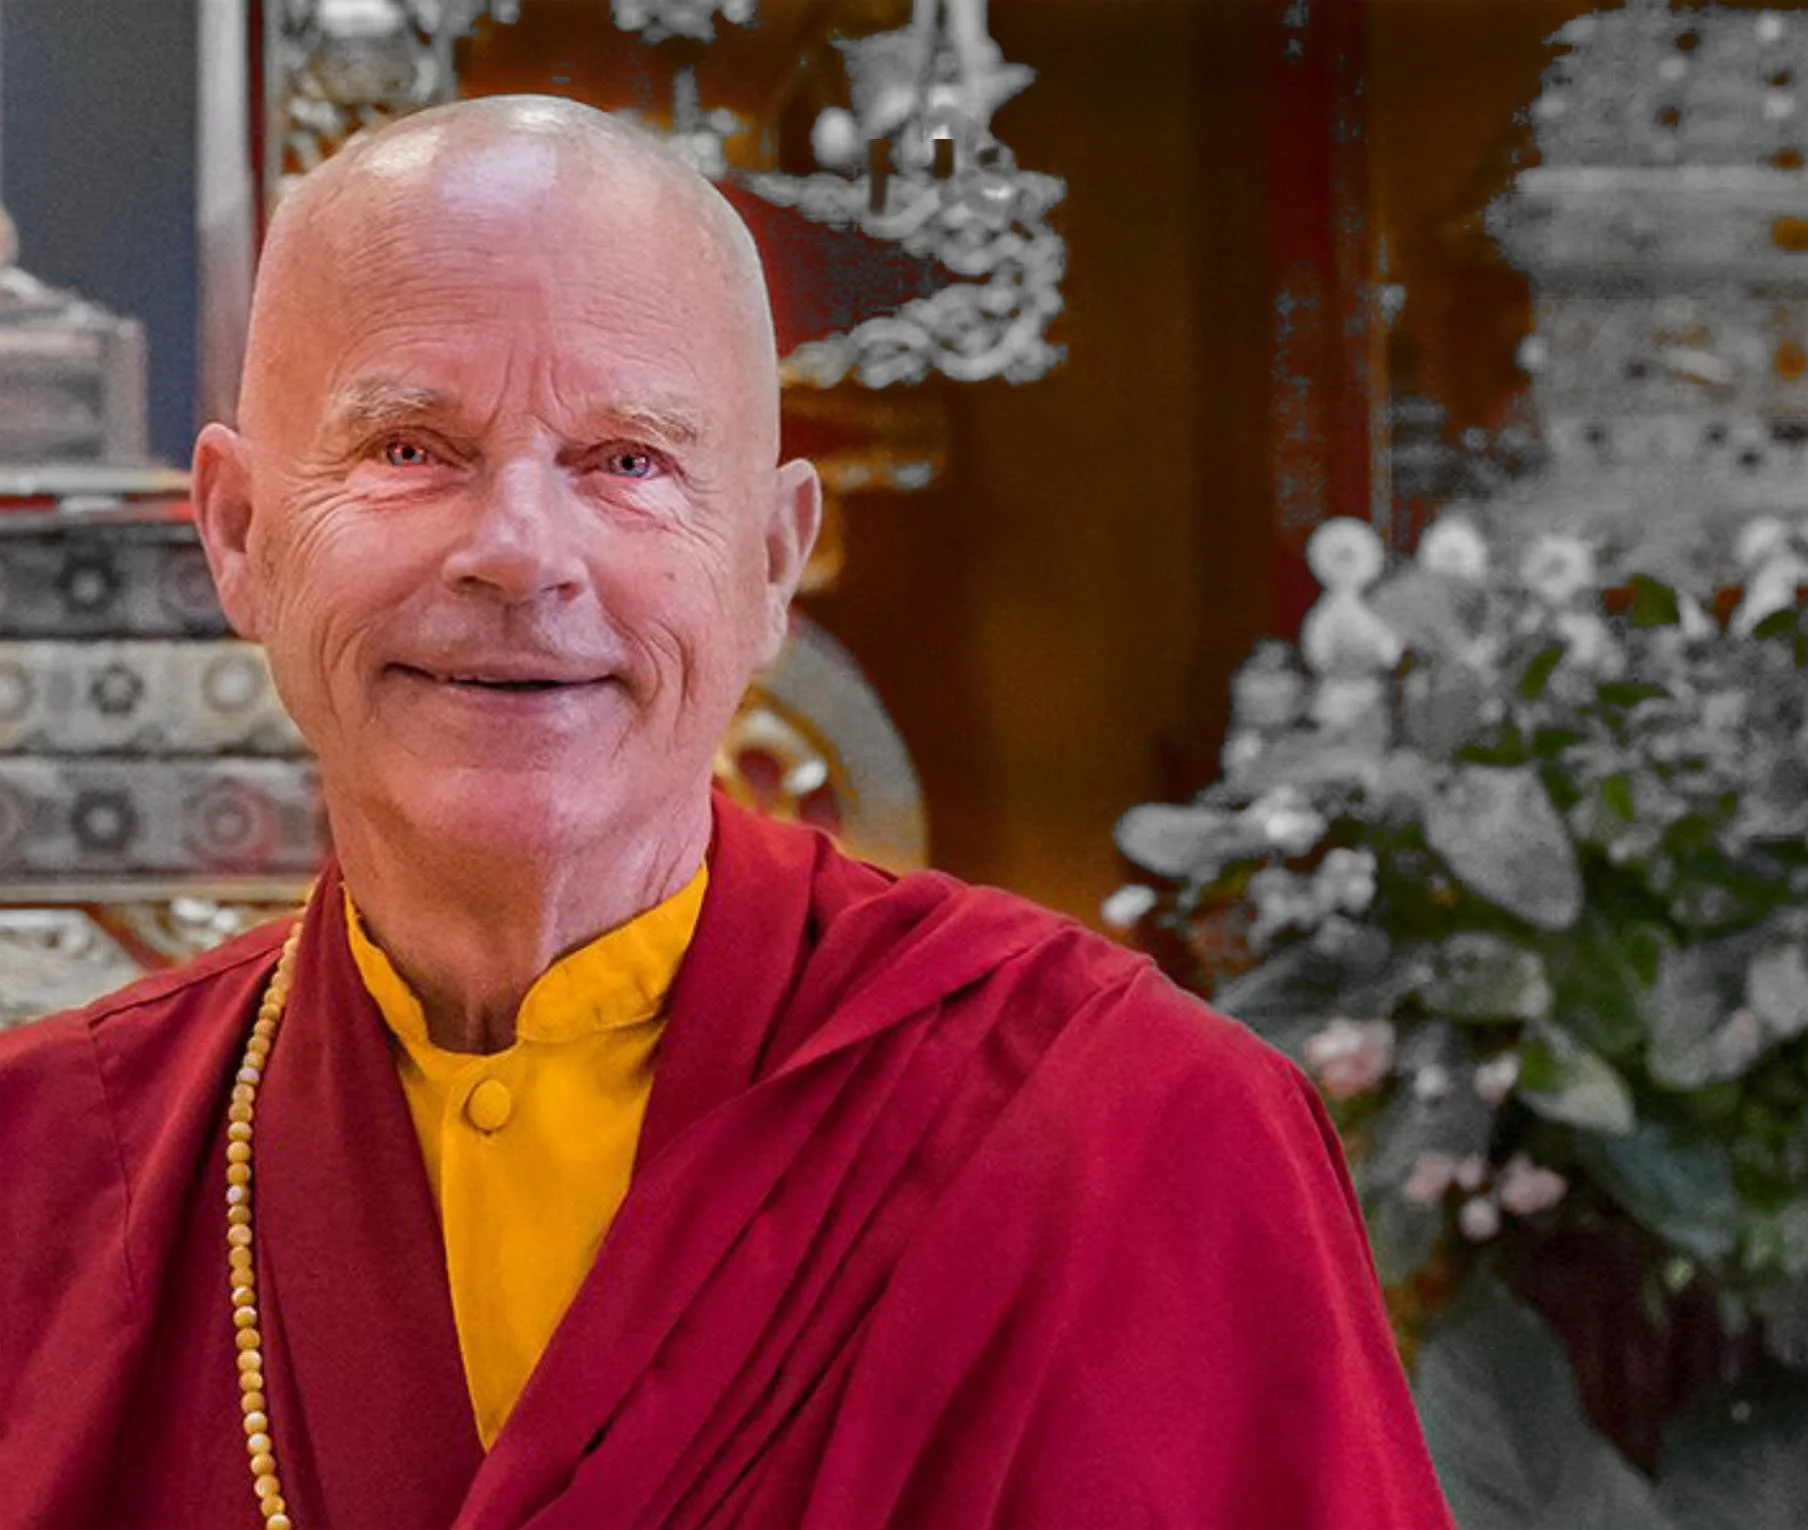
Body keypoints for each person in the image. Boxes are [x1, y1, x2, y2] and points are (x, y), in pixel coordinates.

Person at [0, 96, 1455, 1529]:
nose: (520, 551)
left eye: (627, 461)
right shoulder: (46, 1176)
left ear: (770, 560)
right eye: (409, 448)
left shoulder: (1139, 1131)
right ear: (240, 533)